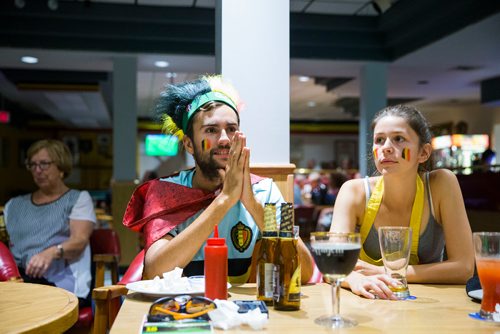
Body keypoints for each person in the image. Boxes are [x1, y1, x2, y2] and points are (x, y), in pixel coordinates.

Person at [123, 75, 314, 283]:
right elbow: (155, 272)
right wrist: (224, 200)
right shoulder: (165, 193)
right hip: (183, 311)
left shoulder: (266, 191)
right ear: (188, 144)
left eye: (231, 129)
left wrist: (251, 204)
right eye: (211, 130)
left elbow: (304, 273)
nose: (224, 139)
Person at [330, 105, 474, 299]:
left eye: (398, 139)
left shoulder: (441, 184)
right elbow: (333, 261)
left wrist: (385, 272)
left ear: (423, 153)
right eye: (379, 140)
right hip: (369, 303)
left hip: (430, 307)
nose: (386, 147)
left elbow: (464, 268)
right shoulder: (354, 191)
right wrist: (354, 279)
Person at [4, 139, 96, 306]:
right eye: (33, 165)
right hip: (18, 281)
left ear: (61, 168)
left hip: (60, 283)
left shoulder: (78, 199)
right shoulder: (13, 205)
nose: (37, 170)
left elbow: (79, 241)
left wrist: (50, 253)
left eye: (44, 164)